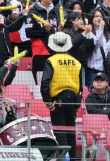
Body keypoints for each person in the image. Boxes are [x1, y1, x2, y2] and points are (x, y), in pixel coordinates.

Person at [41, 32, 82, 161]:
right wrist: (76, 107)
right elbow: (80, 88)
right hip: (72, 102)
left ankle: (65, 159)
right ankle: (73, 159)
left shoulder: (51, 61)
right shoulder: (76, 62)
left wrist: (48, 102)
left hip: (57, 102)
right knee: (71, 133)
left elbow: (45, 83)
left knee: (60, 133)